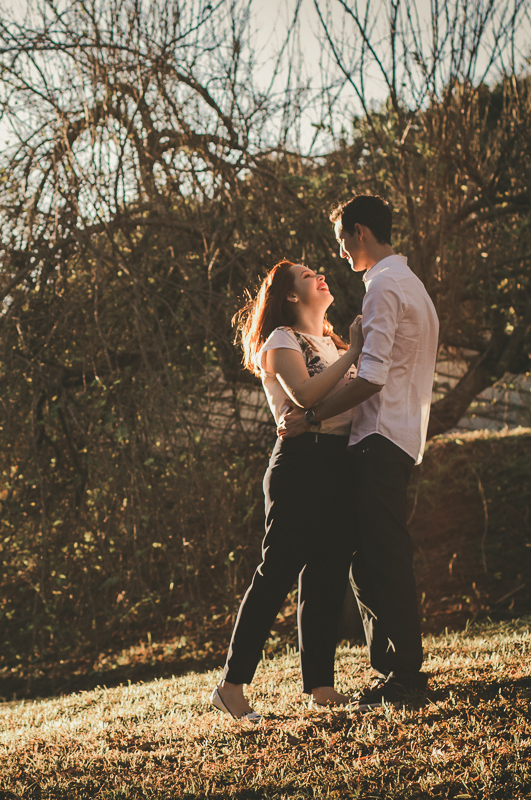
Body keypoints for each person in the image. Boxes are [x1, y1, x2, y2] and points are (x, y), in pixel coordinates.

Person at [280, 194, 439, 709]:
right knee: (374, 558)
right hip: (401, 435)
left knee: (381, 558)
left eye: (341, 242)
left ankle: (404, 677)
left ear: (359, 233)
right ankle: (397, 670)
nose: (341, 254)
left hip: (378, 438)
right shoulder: (410, 285)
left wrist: (310, 416)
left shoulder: (384, 288)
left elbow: (371, 378)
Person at [209, 259, 365, 724]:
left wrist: (348, 349)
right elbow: (305, 396)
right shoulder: (281, 340)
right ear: (292, 296)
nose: (319, 273)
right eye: (305, 275)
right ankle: (231, 686)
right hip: (301, 463)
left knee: (326, 575)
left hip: (338, 460)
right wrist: (354, 353)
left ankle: (320, 687)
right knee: (276, 572)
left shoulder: (331, 341)